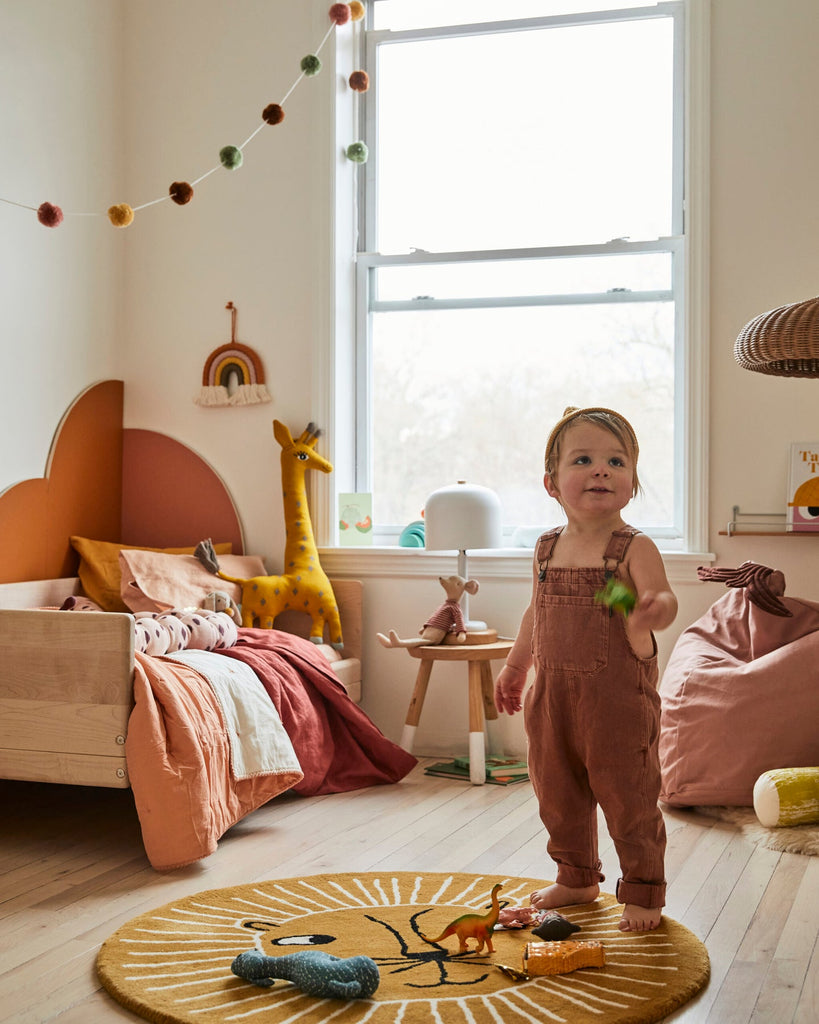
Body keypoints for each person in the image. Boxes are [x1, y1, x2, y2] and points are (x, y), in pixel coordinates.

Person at [495, 406, 677, 932]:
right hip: (551, 699)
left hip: (617, 702)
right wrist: (515, 666)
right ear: (551, 483)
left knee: (629, 798)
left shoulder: (633, 547)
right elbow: (535, 612)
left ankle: (643, 889)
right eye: (583, 460)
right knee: (558, 795)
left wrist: (653, 609)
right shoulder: (546, 548)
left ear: (632, 483)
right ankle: (575, 877)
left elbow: (662, 598)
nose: (601, 470)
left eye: (616, 461)